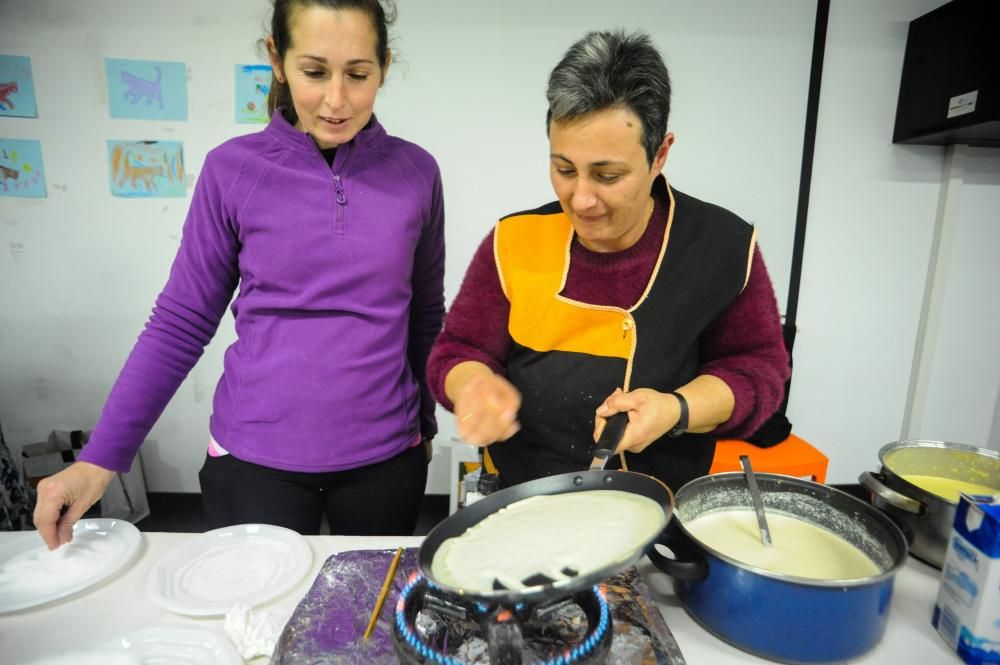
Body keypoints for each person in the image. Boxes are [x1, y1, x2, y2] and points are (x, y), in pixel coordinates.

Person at [33, 0, 444, 549]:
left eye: (359, 74)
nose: (337, 99)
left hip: (386, 457)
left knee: (361, 622)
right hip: (254, 459)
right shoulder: (233, 170)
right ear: (277, 59)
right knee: (251, 622)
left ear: (384, 67)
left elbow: (424, 314)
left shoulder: (416, 172)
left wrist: (426, 424)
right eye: (315, 71)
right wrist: (100, 459)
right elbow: (180, 323)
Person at [427, 29, 790, 493]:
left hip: (661, 508)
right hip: (521, 502)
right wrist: (472, 384)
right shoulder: (514, 240)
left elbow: (758, 370)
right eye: (563, 169)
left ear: (659, 155)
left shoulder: (723, 247)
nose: (580, 199)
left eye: (608, 175)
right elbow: (459, 350)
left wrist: (676, 409)